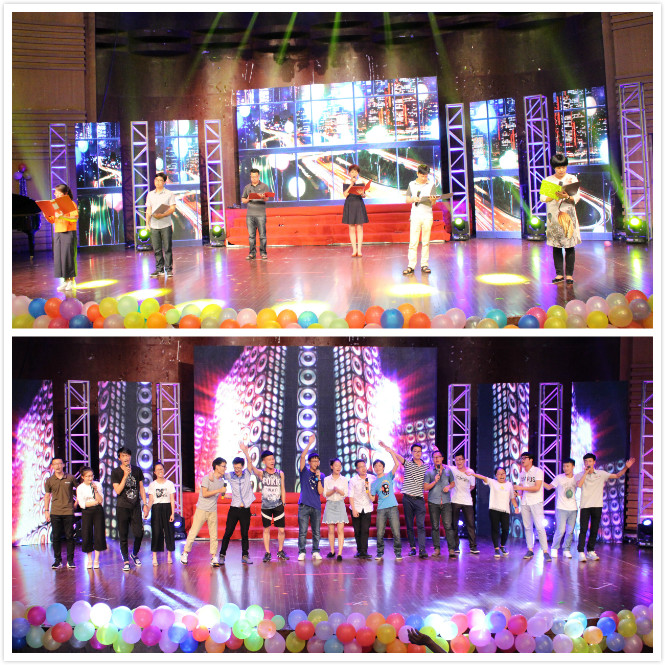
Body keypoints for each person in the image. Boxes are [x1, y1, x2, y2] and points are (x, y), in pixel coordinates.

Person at [575, 453, 635, 562]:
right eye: (586, 461)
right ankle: (580, 552)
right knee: (583, 529)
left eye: (590, 461)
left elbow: (617, 475)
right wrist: (586, 473)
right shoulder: (580, 474)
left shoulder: (601, 473)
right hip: (585, 505)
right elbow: (579, 485)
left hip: (597, 505)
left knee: (594, 529)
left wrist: (626, 467)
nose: (588, 463)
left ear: (594, 462)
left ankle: (590, 551)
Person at [240, 443, 289, 563]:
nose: (272, 461)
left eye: (273, 459)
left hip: (278, 505)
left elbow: (282, 488)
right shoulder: (262, 473)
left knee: (281, 530)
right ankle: (267, 553)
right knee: (266, 529)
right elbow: (251, 465)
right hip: (266, 506)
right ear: (264, 462)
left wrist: (284, 502)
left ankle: (280, 551)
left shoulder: (280, 473)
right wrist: (246, 452)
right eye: (269, 459)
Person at [540, 153, 581, 284]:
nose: (561, 170)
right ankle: (559, 274)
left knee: (570, 245)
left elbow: (577, 197)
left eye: (563, 167)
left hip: (568, 216)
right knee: (556, 245)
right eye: (558, 168)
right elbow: (542, 198)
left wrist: (567, 197)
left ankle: (569, 275)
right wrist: (554, 195)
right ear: (554, 168)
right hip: (554, 217)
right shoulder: (548, 180)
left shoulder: (572, 179)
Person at [181, 458, 227, 566]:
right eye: (223, 466)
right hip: (202, 509)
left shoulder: (222, 481)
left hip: (213, 510)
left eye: (225, 466)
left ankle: (213, 557)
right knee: (194, 532)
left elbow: (222, 495)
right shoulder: (207, 478)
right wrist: (219, 490)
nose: (225, 468)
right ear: (217, 467)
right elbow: (205, 494)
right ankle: (185, 553)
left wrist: (233, 496)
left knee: (214, 535)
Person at [465, 467, 518, 558]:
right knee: (495, 529)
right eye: (499, 474)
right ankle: (496, 548)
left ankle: (502, 546)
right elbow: (483, 477)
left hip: (505, 510)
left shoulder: (509, 484)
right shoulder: (493, 482)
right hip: (494, 509)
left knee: (505, 529)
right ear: (496, 475)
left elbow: (512, 497)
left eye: (503, 473)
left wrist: (516, 507)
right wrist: (472, 474)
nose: (501, 475)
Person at [111, 447, 147, 571]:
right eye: (123, 456)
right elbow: (118, 490)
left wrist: (145, 504)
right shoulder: (116, 472)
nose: (126, 458)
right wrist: (125, 476)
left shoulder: (137, 470)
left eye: (127, 455)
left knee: (139, 533)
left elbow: (141, 488)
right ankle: (126, 560)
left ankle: (134, 554)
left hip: (135, 506)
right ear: (119, 458)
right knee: (123, 534)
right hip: (122, 507)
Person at [514, 452, 552, 562]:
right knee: (527, 527)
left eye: (525, 458)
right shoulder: (522, 474)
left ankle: (545, 551)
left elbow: (537, 487)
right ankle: (530, 549)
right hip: (525, 502)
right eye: (522, 458)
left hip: (536, 502)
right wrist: (517, 492)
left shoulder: (538, 471)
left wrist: (522, 488)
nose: (522, 460)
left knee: (540, 527)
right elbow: (521, 491)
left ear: (531, 460)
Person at [369, 441, 403, 561]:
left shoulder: (388, 476)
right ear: (374, 469)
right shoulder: (374, 483)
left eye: (380, 466)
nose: (377, 468)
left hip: (393, 507)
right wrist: (367, 490)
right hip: (381, 509)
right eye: (375, 466)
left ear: (383, 467)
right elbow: (372, 498)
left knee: (396, 532)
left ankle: (398, 552)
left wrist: (390, 451)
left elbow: (396, 464)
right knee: (380, 533)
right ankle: (379, 552)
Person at [219, 456, 256, 565]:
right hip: (234, 509)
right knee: (228, 532)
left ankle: (245, 555)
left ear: (242, 467)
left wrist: (245, 451)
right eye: (235, 468)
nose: (237, 470)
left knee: (244, 533)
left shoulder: (247, 474)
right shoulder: (230, 475)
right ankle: (222, 555)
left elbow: (250, 462)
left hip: (245, 510)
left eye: (239, 468)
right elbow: (219, 474)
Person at [403, 163, 437, 275]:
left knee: (426, 241)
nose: (424, 178)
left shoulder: (431, 184)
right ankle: (411, 265)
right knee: (413, 242)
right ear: (417, 174)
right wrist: (414, 199)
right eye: (422, 176)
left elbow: (433, 203)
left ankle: (424, 265)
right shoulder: (411, 184)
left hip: (427, 216)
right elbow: (407, 200)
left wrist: (433, 199)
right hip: (415, 215)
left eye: (426, 176)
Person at [44, 457, 78, 569]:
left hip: (68, 511)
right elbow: (47, 496)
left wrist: (76, 503)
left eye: (59, 464)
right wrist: (46, 511)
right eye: (55, 464)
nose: (57, 466)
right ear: (52, 466)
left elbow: (80, 490)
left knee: (70, 536)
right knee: (56, 537)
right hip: (55, 512)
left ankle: (70, 560)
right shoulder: (49, 480)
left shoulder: (70, 477)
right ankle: (57, 560)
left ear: (63, 465)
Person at [397, 443, 429, 558]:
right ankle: (413, 548)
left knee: (421, 525)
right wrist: (388, 449)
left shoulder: (426, 466)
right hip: (407, 499)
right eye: (415, 451)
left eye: (419, 451)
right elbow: (399, 457)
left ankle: (422, 550)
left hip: (419, 499)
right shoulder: (408, 463)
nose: (417, 453)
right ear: (411, 452)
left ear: (422, 452)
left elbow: (438, 466)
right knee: (409, 525)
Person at [543, 457, 578, 558]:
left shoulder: (576, 478)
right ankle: (554, 548)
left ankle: (566, 549)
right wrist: (539, 481)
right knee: (561, 530)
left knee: (570, 531)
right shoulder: (559, 477)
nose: (565, 468)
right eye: (564, 466)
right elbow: (549, 487)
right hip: (561, 508)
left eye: (568, 466)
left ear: (573, 467)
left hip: (573, 509)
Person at [45, 184, 78, 292]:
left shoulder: (71, 203)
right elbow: (52, 220)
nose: (56, 195)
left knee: (68, 257)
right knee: (60, 258)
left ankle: (71, 281)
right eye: (56, 193)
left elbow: (74, 219)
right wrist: (47, 214)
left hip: (69, 232)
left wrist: (63, 216)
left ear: (65, 194)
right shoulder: (55, 205)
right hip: (58, 232)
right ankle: (65, 280)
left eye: (59, 193)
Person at [297, 435, 325, 561]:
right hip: (304, 505)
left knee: (316, 531)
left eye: (317, 461)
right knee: (303, 531)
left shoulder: (321, 475)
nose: (315, 463)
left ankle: (315, 551)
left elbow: (320, 491)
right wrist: (309, 443)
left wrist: (318, 478)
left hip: (316, 506)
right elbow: (302, 457)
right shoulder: (304, 471)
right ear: (309, 463)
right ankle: (302, 551)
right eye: (313, 461)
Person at [144, 462, 176, 566]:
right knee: (156, 532)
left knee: (169, 532)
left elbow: (172, 500)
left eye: (161, 469)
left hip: (167, 508)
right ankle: (154, 556)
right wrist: (147, 510)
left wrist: (172, 513)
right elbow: (151, 500)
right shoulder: (152, 485)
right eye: (158, 469)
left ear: (164, 470)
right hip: (156, 509)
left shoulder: (169, 484)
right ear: (154, 472)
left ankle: (169, 556)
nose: (160, 471)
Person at [424, 450, 455, 557]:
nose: (437, 459)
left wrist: (449, 486)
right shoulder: (429, 472)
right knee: (435, 526)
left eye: (439, 457)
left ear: (442, 458)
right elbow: (425, 487)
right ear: (432, 459)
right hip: (433, 502)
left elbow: (453, 482)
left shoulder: (448, 470)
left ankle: (451, 549)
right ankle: (437, 548)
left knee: (448, 525)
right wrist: (435, 481)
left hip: (446, 502)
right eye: (434, 457)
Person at [146, 172, 176, 278]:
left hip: (165, 224)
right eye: (156, 180)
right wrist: (147, 224)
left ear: (164, 182)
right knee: (157, 249)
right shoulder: (150, 194)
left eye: (160, 181)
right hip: (154, 225)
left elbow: (172, 208)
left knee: (167, 248)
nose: (158, 182)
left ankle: (169, 269)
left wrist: (162, 215)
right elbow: (148, 209)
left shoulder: (169, 194)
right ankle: (159, 269)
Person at [76, 467, 106, 569]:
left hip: (98, 511)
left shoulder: (97, 485)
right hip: (87, 512)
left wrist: (96, 491)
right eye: (88, 476)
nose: (90, 478)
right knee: (87, 534)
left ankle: (96, 559)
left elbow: (100, 500)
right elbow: (82, 504)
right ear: (83, 477)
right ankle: (89, 559)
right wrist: (95, 502)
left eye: (91, 476)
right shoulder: (80, 488)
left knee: (99, 534)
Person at [449, 452, 479, 555]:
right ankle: (455, 546)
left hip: (467, 501)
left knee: (470, 524)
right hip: (455, 500)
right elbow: (442, 464)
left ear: (464, 460)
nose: (459, 462)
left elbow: (472, 486)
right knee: (454, 524)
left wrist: (465, 492)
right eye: (456, 460)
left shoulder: (470, 471)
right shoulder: (452, 469)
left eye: (460, 459)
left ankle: (473, 546)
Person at [241, 168, 270, 260]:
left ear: (259, 176)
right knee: (251, 236)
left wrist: (263, 196)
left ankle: (263, 253)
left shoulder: (264, 186)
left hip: (260, 214)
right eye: (252, 177)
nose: (254, 178)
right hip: (250, 214)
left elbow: (267, 198)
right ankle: (252, 253)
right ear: (250, 176)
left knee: (262, 235)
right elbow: (243, 200)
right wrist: (248, 198)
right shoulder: (247, 187)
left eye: (255, 176)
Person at [323, 458, 349, 561]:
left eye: (340, 465)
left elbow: (345, 494)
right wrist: (333, 490)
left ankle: (340, 553)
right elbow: (325, 494)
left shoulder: (344, 479)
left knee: (340, 530)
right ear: (331, 466)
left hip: (340, 504)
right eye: (336, 465)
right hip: (330, 504)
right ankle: (332, 551)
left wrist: (338, 490)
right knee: (330, 530)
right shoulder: (327, 479)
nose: (338, 467)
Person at [348, 459, 375, 559]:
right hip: (356, 507)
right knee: (357, 530)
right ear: (357, 469)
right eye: (360, 467)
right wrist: (354, 509)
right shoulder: (353, 480)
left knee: (365, 530)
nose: (363, 468)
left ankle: (364, 551)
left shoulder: (372, 478)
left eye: (364, 466)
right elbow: (351, 496)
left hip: (367, 507)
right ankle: (359, 550)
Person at [341, 164, 369, 257]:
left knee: (360, 227)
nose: (354, 173)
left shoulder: (361, 182)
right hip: (350, 204)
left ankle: (359, 250)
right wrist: (351, 185)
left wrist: (362, 194)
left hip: (359, 204)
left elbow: (364, 195)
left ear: (358, 173)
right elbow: (345, 194)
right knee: (351, 227)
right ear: (349, 173)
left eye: (355, 172)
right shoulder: (346, 181)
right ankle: (354, 250)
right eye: (352, 172)